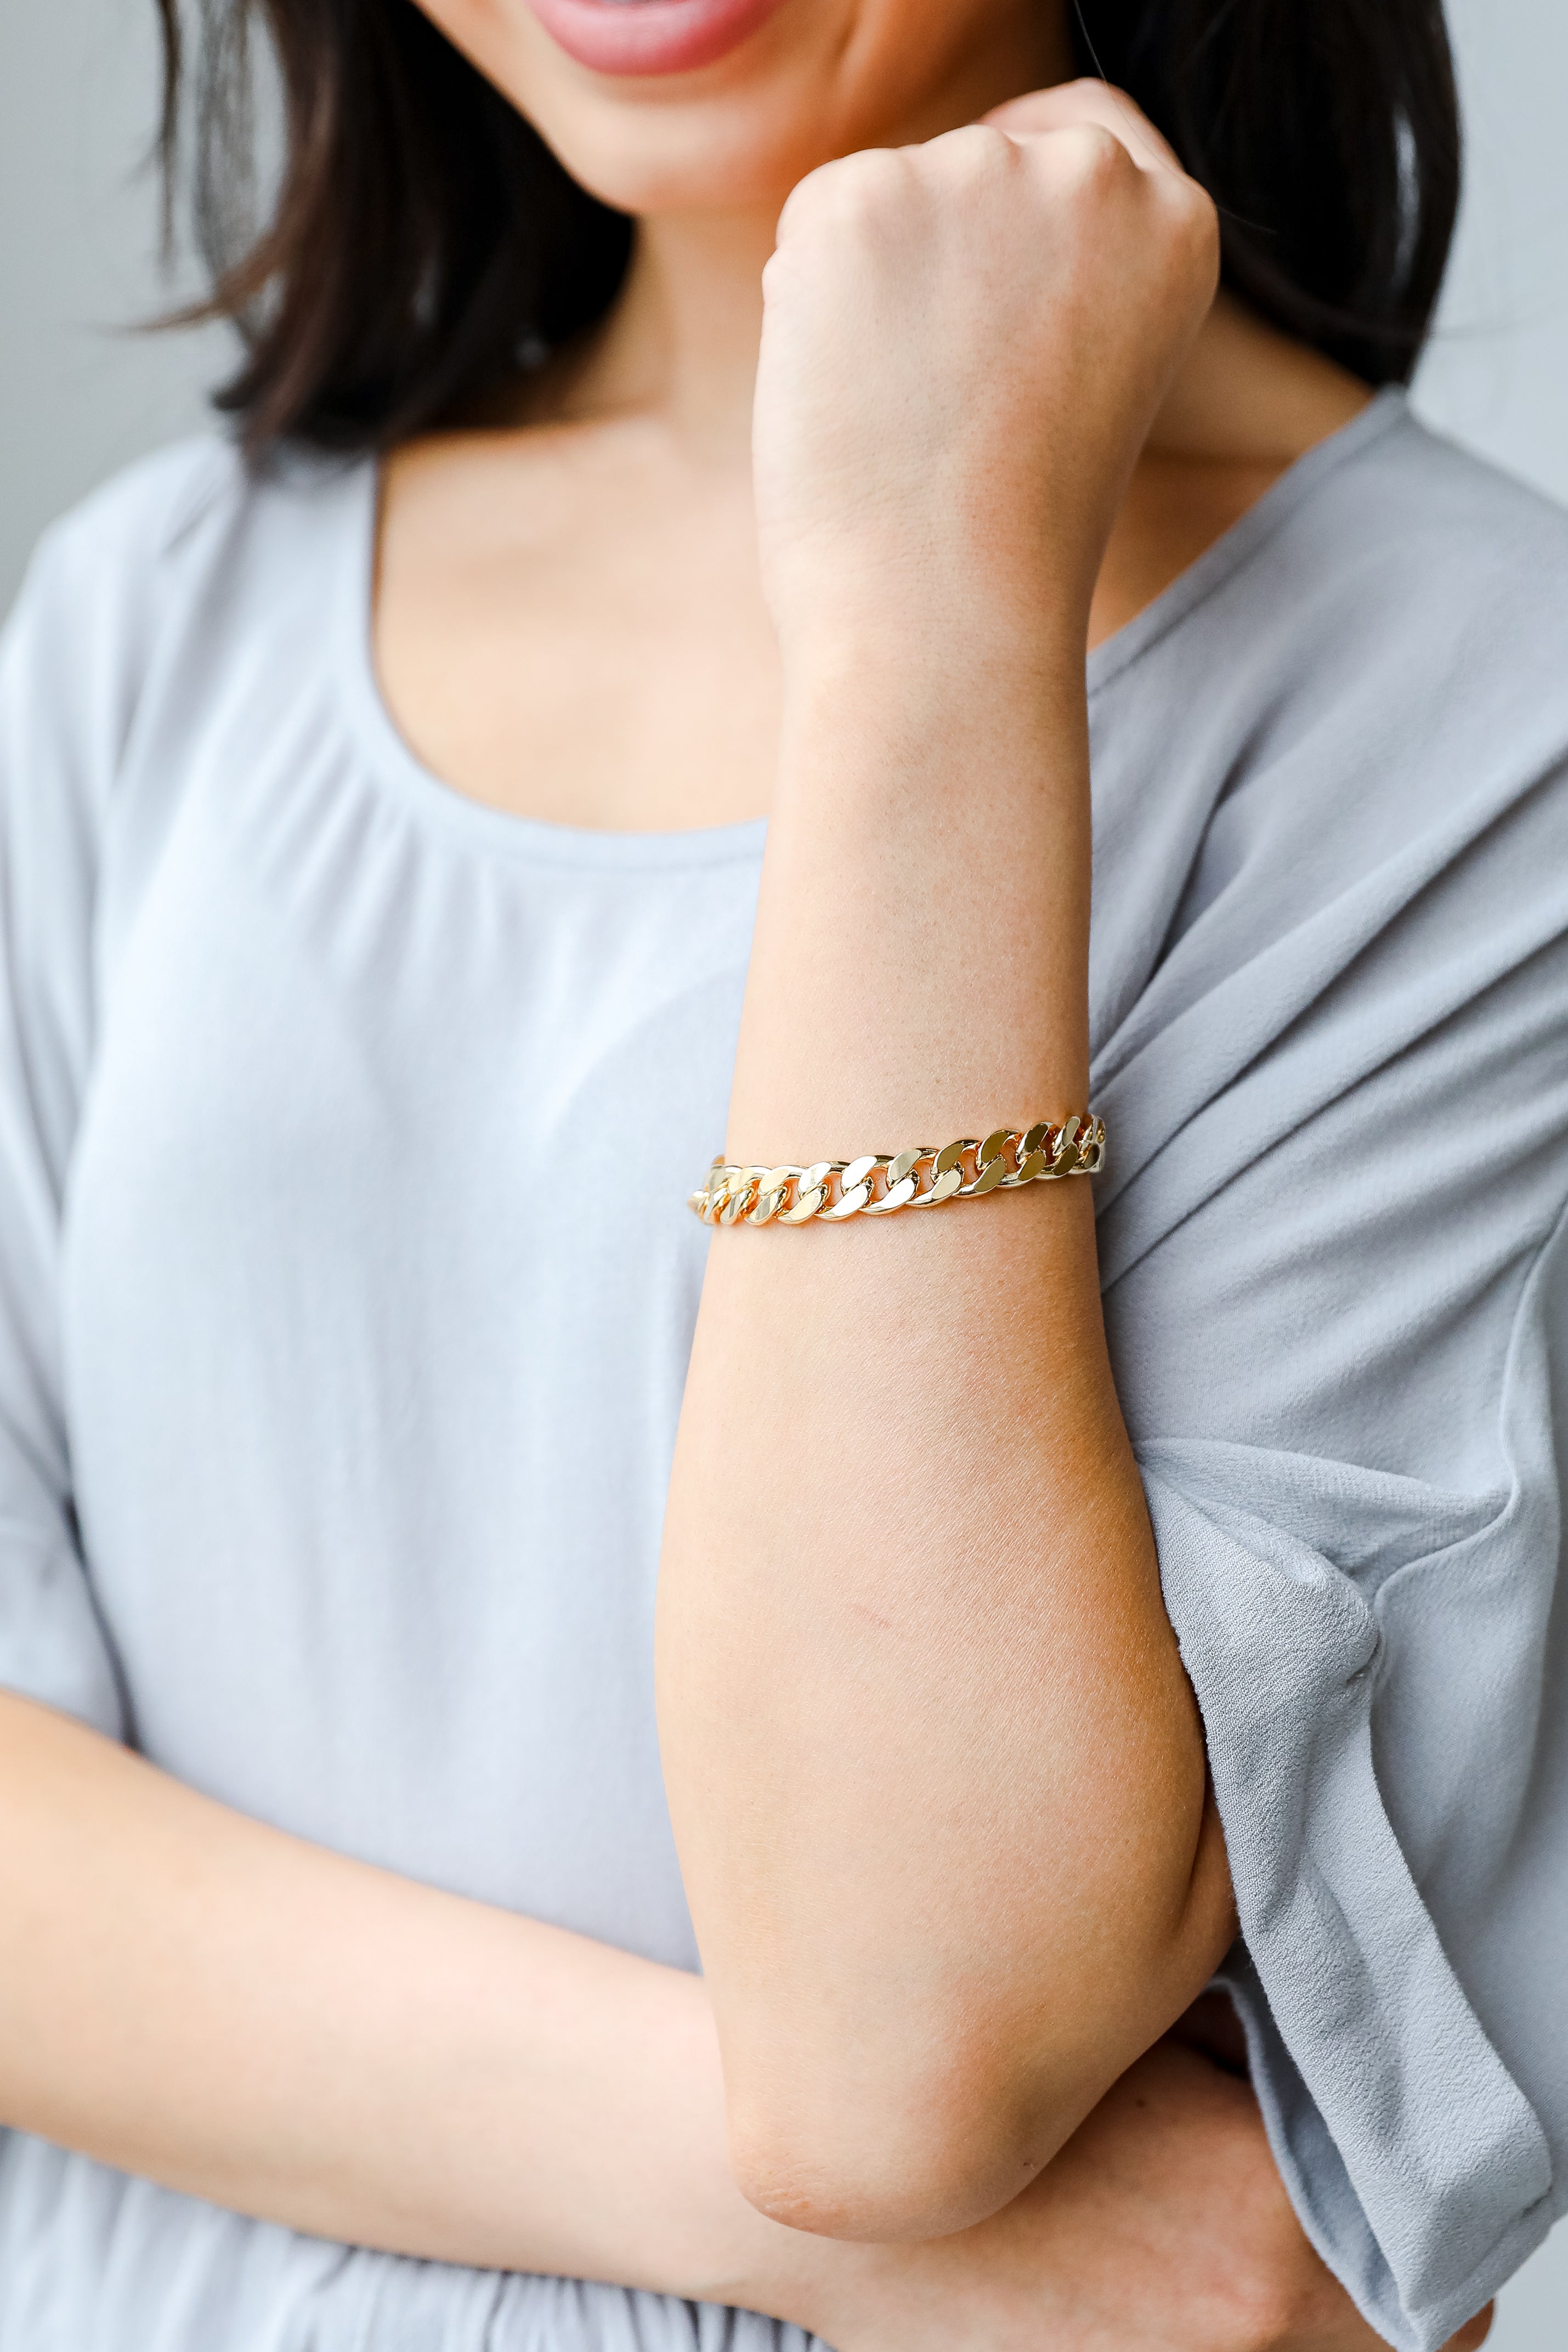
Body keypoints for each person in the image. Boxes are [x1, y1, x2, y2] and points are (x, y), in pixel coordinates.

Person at [0, 0, 1563, 2345]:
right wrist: (796, 2220)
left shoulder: (1480, 711)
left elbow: (900, 2045)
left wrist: (931, 604)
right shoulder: (155, 622)